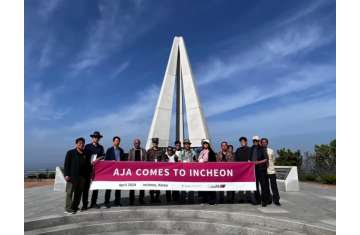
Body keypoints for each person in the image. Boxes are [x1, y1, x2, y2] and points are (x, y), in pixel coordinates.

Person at [64, 137, 88, 214]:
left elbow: (87, 165)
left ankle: (75, 207)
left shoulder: (85, 153)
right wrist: (66, 174)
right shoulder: (70, 152)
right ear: (76, 144)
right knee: (69, 193)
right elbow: (66, 164)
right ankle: (68, 208)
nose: (81, 145)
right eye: (80, 143)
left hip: (82, 177)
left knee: (78, 193)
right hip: (72, 177)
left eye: (83, 143)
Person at [84, 131, 105, 210]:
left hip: (97, 170)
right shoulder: (87, 146)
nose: (96, 138)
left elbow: (103, 155)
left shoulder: (101, 147)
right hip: (87, 169)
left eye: (98, 137)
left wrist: (98, 159)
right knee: (86, 187)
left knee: (96, 187)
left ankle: (94, 203)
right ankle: (85, 204)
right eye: (95, 137)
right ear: (92, 138)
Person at [104, 136, 125, 208]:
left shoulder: (121, 150)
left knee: (118, 188)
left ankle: (117, 201)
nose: (117, 142)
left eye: (118, 141)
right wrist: (110, 162)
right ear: (113, 142)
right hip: (111, 171)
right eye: (116, 141)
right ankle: (107, 202)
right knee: (109, 188)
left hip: (118, 172)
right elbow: (105, 160)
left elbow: (124, 161)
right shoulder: (109, 150)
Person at [250, 136, 270, 207]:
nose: (255, 142)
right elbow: (249, 158)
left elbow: (266, 159)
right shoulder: (251, 148)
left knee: (263, 185)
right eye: (253, 141)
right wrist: (250, 161)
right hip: (253, 170)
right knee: (255, 186)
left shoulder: (262, 148)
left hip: (261, 169)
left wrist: (258, 162)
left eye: (256, 141)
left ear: (258, 141)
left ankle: (264, 201)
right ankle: (258, 200)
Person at [235, 136, 255, 204]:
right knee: (240, 184)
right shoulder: (238, 150)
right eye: (241, 141)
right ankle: (240, 198)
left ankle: (248, 197)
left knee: (248, 184)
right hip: (240, 171)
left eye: (243, 141)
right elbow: (236, 160)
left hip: (249, 170)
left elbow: (253, 159)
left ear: (246, 142)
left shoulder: (250, 149)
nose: (242, 142)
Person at [261, 138, 281, 206]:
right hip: (264, 171)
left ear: (267, 143)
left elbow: (273, 160)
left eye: (265, 142)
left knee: (274, 186)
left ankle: (276, 200)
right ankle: (268, 200)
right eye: (262, 142)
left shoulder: (271, 151)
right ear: (261, 143)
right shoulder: (260, 151)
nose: (264, 143)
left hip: (271, 170)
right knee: (266, 187)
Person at [128, 139, 147, 205]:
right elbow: (129, 161)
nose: (137, 144)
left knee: (142, 186)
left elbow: (146, 160)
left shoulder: (143, 151)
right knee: (132, 186)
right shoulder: (131, 151)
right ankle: (131, 200)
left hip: (141, 171)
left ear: (140, 143)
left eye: (138, 143)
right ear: (133, 144)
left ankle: (141, 199)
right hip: (133, 171)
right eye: (135, 143)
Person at [198, 139, 217, 205]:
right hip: (202, 172)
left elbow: (214, 162)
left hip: (209, 172)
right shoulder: (201, 152)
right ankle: (203, 200)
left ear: (208, 145)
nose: (205, 145)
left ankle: (212, 200)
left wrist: (206, 162)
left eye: (206, 144)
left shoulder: (211, 152)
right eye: (204, 144)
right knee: (202, 186)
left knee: (210, 186)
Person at [146, 137, 166, 203]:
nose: (155, 144)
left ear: (158, 143)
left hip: (159, 171)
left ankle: (157, 198)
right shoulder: (149, 151)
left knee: (158, 185)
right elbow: (147, 161)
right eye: (154, 142)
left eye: (156, 142)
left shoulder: (161, 151)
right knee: (151, 185)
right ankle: (152, 198)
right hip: (151, 171)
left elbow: (163, 160)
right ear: (152, 143)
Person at [178, 139, 197, 203]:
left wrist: (193, 162)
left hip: (191, 171)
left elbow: (195, 161)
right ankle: (182, 199)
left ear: (190, 145)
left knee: (191, 185)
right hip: (183, 172)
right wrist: (183, 162)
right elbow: (179, 161)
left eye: (188, 144)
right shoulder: (181, 152)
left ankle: (191, 199)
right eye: (186, 144)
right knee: (183, 185)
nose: (187, 145)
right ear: (184, 145)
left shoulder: (193, 152)